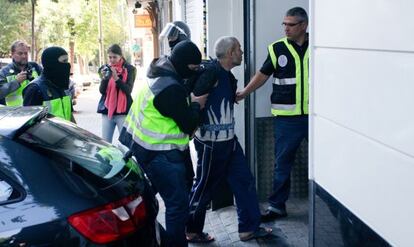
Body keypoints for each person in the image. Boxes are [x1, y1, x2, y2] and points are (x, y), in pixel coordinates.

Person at [119, 41, 208, 247]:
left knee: (148, 196)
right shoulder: (171, 88)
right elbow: (188, 125)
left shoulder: (160, 72)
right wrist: (196, 104)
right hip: (160, 153)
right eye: (193, 69)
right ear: (184, 65)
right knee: (177, 205)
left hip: (143, 148)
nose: (194, 72)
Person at [185, 36, 273, 243]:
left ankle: (249, 229)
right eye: (239, 49)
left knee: (244, 181)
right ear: (231, 53)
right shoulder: (211, 73)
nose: (242, 52)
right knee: (204, 187)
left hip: (229, 142)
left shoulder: (227, 76)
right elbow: (194, 102)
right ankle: (191, 230)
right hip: (211, 144)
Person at [236, 7, 309, 222]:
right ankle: (277, 206)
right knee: (282, 163)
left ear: (303, 26)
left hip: (316, 118)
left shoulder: (317, 46)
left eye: (291, 24)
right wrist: (245, 92)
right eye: (284, 24)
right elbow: (263, 75)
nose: (286, 28)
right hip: (287, 120)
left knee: (327, 161)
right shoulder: (277, 49)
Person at [23, 46, 75, 123]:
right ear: (52, 63)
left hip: (65, 134)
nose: (67, 65)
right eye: (64, 61)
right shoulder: (35, 88)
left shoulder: (63, 86)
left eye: (67, 61)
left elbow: (69, 115)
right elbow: (29, 124)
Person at [97, 44, 136, 143]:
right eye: (110, 57)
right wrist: (105, 78)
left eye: (115, 57)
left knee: (125, 143)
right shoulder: (105, 68)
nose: (112, 60)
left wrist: (116, 78)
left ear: (121, 56)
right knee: (105, 142)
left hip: (123, 112)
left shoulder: (130, 69)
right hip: (107, 110)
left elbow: (128, 90)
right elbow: (102, 91)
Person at [0, 40, 42, 106]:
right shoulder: (4, 72)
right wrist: (16, 82)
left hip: (36, 111)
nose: (24, 56)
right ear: (12, 54)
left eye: (26, 53)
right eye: (20, 53)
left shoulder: (36, 67)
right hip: (14, 114)